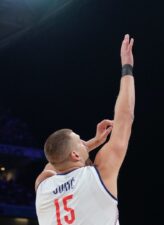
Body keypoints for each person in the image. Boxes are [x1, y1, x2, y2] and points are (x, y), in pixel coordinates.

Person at [35, 34, 135, 225]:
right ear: (74, 154)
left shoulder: (43, 188)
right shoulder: (97, 175)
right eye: (80, 140)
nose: (84, 142)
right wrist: (127, 68)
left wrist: (92, 143)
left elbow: (54, 162)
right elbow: (125, 117)